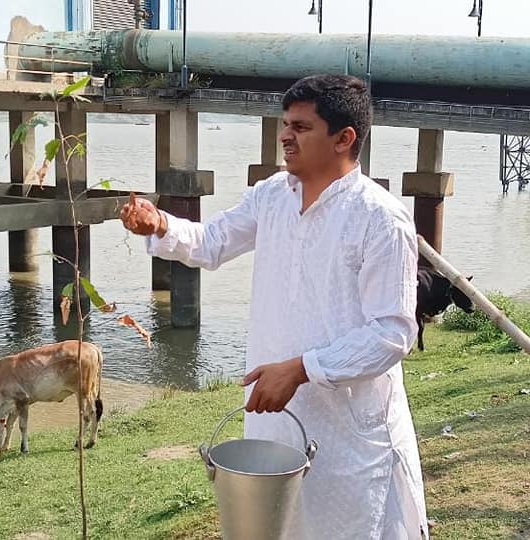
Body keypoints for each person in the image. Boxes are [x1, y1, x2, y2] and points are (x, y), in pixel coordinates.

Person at [121, 74, 428, 539]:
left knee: (350, 528)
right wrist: (161, 224)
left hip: (349, 428)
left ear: (344, 138)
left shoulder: (380, 218)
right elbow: (213, 241)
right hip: (275, 416)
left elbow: (392, 333)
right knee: (279, 526)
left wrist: (302, 369)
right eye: (285, 124)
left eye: (301, 127)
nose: (285, 135)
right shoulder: (272, 195)